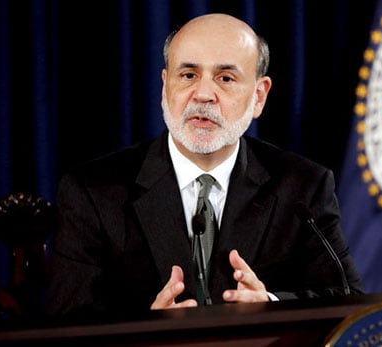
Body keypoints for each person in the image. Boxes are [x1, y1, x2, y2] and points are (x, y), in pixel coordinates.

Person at [47, 13, 363, 319]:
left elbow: (347, 298)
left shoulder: (303, 187)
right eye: (188, 75)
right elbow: (69, 320)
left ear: (259, 96)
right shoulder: (92, 191)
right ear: (164, 86)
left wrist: (270, 304)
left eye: (225, 78)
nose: (203, 94)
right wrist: (144, 331)